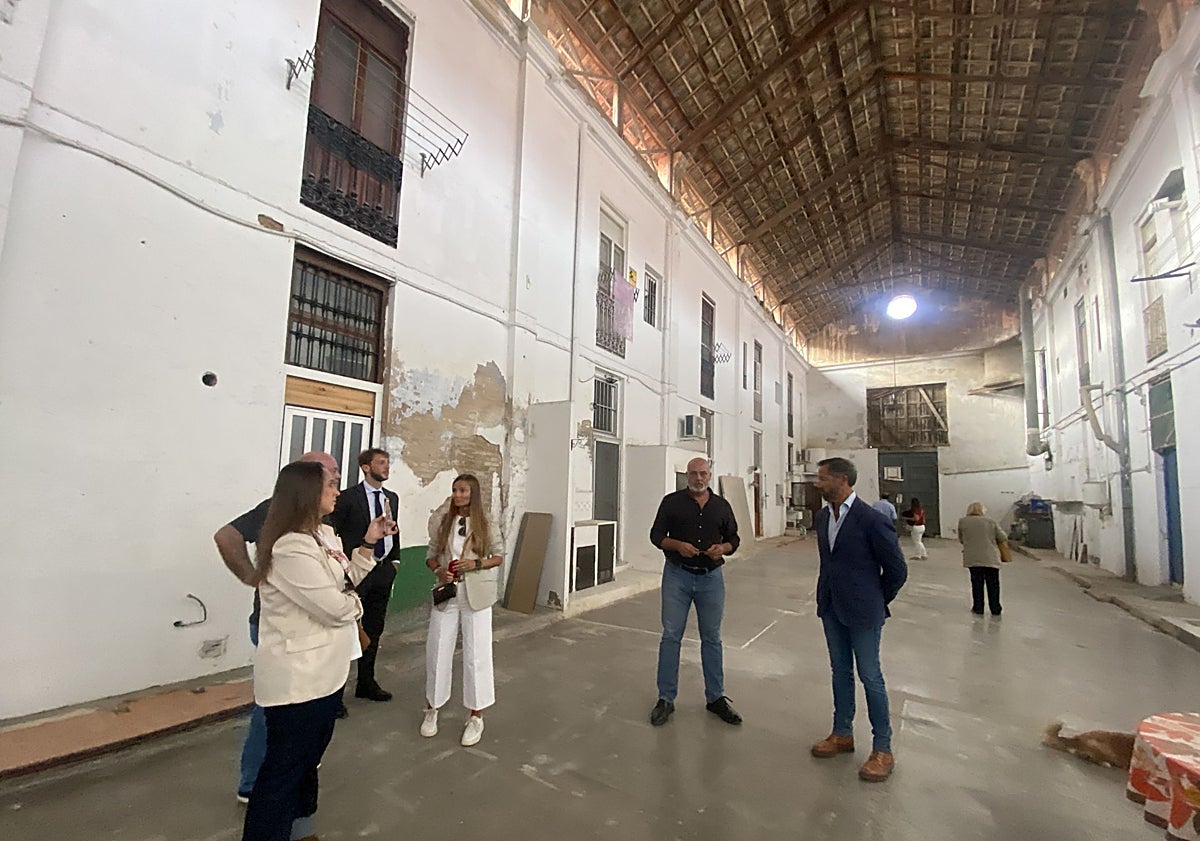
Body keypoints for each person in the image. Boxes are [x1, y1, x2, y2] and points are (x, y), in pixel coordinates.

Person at [242, 460, 395, 841]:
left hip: (325, 676)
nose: (337, 491)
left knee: (309, 764)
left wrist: (368, 542)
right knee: (281, 772)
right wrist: (355, 606)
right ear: (307, 493)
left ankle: (302, 831)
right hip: (297, 681)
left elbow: (347, 580)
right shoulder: (290, 548)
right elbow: (336, 607)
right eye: (330, 485)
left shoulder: (324, 535)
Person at [213, 451, 341, 813]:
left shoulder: (320, 521)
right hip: (283, 628)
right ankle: (252, 783)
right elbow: (226, 537)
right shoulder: (279, 517)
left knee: (299, 729)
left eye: (334, 474)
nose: (335, 482)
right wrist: (252, 578)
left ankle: (295, 808)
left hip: (317, 628)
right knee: (276, 714)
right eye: (328, 475)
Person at [810, 457, 908, 782]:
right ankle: (842, 733)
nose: (817, 483)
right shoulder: (824, 516)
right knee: (840, 672)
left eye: (822, 478)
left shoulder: (871, 519)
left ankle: (883, 748)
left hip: (864, 611)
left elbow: (897, 570)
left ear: (841, 480)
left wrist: (876, 599)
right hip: (832, 607)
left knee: (870, 676)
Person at [647, 457, 742, 727]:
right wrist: (677, 545)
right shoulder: (671, 502)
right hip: (677, 576)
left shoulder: (722, 506)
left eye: (703, 473)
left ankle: (715, 698)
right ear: (686, 475)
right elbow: (656, 536)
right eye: (693, 473)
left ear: (710, 475)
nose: (698, 478)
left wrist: (722, 549)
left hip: (711, 579)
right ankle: (666, 698)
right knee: (671, 636)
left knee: (712, 638)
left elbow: (734, 539)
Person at [421, 473, 503, 747]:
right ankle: (432, 708)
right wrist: (439, 570)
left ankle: (476, 715)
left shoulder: (486, 522)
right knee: (437, 649)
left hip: (476, 594)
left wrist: (476, 565)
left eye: (464, 491)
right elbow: (430, 556)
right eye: (455, 490)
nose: (458, 495)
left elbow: (499, 555)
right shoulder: (445, 521)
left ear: (474, 493)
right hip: (448, 593)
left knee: (476, 654)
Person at [330, 448, 400, 702]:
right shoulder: (348, 498)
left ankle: (366, 683)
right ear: (366, 467)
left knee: (374, 628)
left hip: (383, 570)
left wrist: (395, 560)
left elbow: (394, 530)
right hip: (357, 570)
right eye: (381, 463)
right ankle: (335, 695)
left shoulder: (391, 497)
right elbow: (332, 532)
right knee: (348, 630)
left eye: (388, 463)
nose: (386, 467)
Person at [958, 502, 1008, 616]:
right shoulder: (990, 521)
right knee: (993, 584)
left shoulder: (963, 521)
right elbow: (1003, 537)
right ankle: (995, 608)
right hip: (990, 557)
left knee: (977, 583)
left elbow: (961, 539)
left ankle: (978, 607)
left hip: (973, 558)